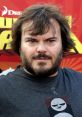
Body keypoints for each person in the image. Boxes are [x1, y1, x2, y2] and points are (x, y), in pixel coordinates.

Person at [0, 3, 82, 117]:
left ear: (63, 44)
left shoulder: (79, 82)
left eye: (50, 40)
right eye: (32, 41)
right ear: (19, 45)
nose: (41, 49)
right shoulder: (2, 89)